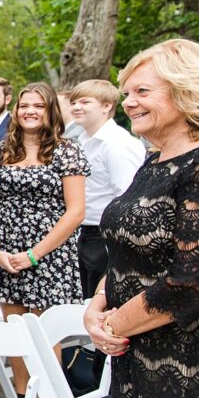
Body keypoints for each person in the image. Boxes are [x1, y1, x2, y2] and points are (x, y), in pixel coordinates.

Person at [85, 39, 199, 398]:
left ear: (185, 90)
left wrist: (114, 325)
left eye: (142, 91)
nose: (128, 102)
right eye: (125, 92)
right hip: (141, 352)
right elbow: (124, 253)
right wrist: (96, 307)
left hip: (188, 361)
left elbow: (193, 279)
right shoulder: (152, 160)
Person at [0, 82, 89, 398]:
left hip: (49, 256)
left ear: (50, 111)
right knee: (15, 332)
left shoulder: (66, 151)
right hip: (5, 253)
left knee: (44, 336)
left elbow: (75, 212)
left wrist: (34, 255)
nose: (29, 111)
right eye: (24, 105)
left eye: (38, 106)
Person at [69, 80, 145, 300]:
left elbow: (128, 196)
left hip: (106, 238)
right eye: (74, 102)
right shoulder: (83, 141)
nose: (76, 107)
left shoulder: (117, 144)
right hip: (85, 234)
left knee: (101, 304)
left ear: (107, 106)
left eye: (85, 101)